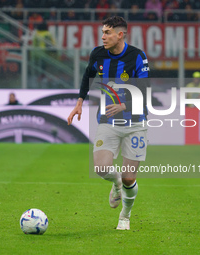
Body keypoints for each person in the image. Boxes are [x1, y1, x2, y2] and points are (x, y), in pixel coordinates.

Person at [67, 16, 150, 230]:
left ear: (120, 35)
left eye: (107, 33)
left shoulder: (137, 56)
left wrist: (124, 106)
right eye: (102, 32)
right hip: (107, 120)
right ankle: (116, 182)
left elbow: (144, 90)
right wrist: (79, 102)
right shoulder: (98, 54)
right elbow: (88, 76)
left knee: (130, 178)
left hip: (136, 123)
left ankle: (125, 216)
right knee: (101, 168)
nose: (103, 37)